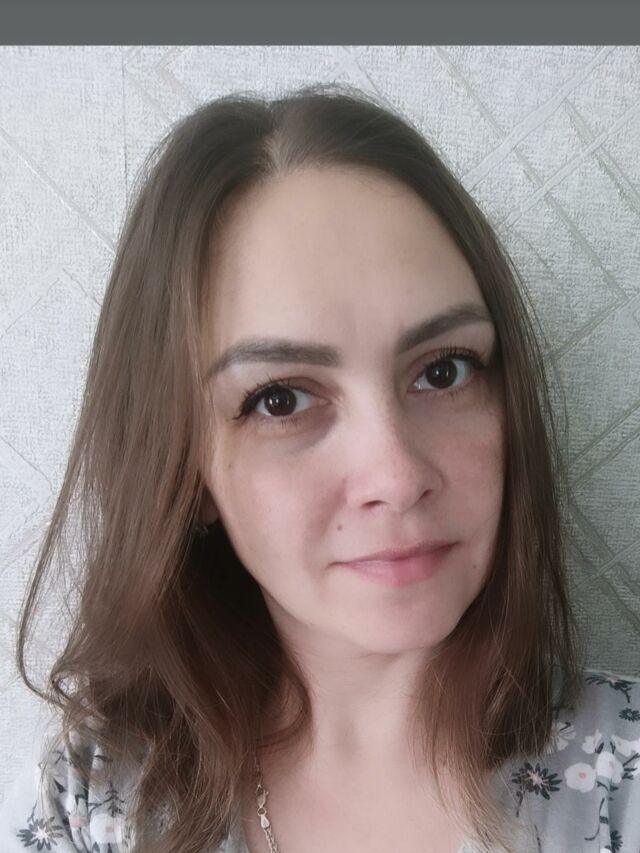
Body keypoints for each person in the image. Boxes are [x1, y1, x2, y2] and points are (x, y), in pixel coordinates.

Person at [1, 81, 639, 853]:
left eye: (444, 370)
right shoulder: (96, 799)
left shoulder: (625, 779)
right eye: (280, 400)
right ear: (186, 469)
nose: (396, 476)